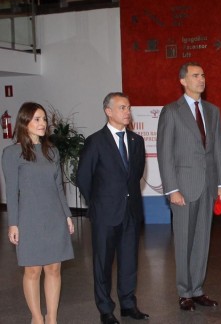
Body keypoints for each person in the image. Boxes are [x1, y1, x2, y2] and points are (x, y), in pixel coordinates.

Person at [157, 62, 221, 311]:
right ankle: (184, 291)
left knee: (202, 241)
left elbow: (217, 148)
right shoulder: (171, 111)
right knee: (184, 242)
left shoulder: (212, 111)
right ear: (183, 81)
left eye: (203, 74)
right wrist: (172, 189)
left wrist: (220, 183)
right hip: (184, 187)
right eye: (195, 75)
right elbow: (165, 154)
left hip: (208, 186)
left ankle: (197, 289)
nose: (201, 79)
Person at [77, 92, 148, 324]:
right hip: (105, 213)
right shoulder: (95, 141)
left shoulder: (137, 141)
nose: (127, 112)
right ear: (108, 111)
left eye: (128, 107)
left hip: (131, 212)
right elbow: (84, 178)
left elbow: (135, 175)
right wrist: (97, 203)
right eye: (122, 108)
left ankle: (128, 304)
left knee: (129, 262)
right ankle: (106, 309)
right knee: (103, 264)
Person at [2, 102, 74, 324]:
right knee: (32, 270)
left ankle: (51, 318)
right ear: (25, 123)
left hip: (54, 217)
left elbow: (58, 187)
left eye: (43, 119)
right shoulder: (12, 153)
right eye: (37, 119)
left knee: (53, 268)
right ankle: (37, 318)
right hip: (29, 218)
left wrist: (67, 215)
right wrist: (13, 223)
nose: (43, 123)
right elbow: (11, 191)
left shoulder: (52, 151)